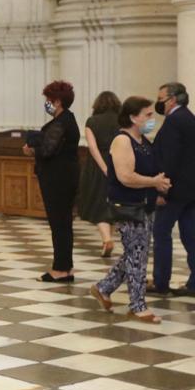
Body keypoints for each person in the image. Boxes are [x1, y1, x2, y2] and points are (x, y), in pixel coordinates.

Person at [90, 97, 171, 323]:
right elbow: (126, 177)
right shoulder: (122, 141)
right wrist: (154, 182)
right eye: (148, 115)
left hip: (144, 204)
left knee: (135, 252)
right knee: (137, 255)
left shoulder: (142, 140)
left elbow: (149, 171)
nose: (152, 119)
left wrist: (158, 189)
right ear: (133, 117)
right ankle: (137, 306)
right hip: (128, 206)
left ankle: (103, 287)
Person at [24, 80, 80, 282]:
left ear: (57, 102)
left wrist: (31, 150)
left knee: (59, 224)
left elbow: (48, 150)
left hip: (58, 179)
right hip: (64, 177)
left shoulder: (62, 122)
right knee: (63, 223)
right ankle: (65, 267)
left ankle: (60, 269)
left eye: (48, 100)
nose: (46, 103)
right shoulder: (67, 119)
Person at [150, 82, 195, 297]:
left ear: (173, 99)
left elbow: (170, 158)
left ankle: (161, 282)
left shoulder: (174, 121)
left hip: (174, 190)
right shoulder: (189, 117)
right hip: (190, 190)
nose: (158, 103)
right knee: (191, 235)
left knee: (161, 233)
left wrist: (162, 190)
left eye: (161, 99)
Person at [77, 91, 122, 257]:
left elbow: (93, 147)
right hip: (118, 162)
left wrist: (104, 168)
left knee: (98, 203)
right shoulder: (122, 121)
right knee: (112, 203)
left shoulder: (92, 121)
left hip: (96, 166)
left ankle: (106, 239)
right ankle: (108, 238)